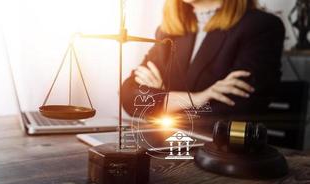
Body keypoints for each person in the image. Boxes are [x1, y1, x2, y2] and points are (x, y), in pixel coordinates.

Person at [122, 0, 285, 121]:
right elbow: (129, 96)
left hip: (220, 152)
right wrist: (198, 98)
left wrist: (164, 99)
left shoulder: (261, 26)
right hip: (168, 147)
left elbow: (235, 108)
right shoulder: (168, 31)